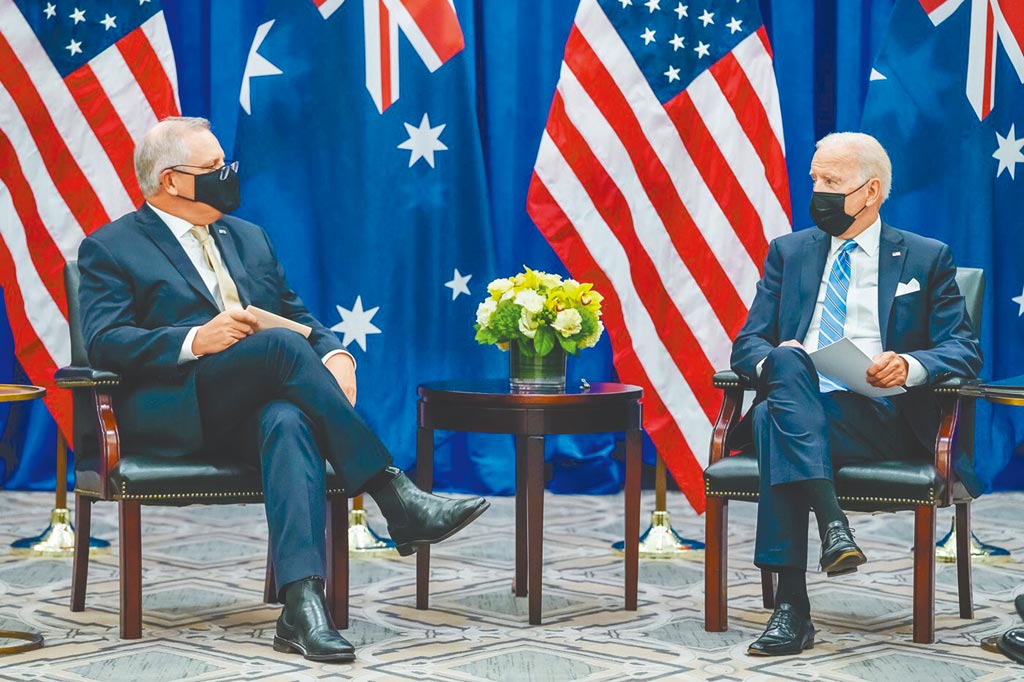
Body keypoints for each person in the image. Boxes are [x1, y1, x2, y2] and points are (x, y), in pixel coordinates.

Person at [77, 116, 490, 662]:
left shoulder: (249, 238)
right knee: (278, 349)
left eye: (226, 163)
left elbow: (296, 317)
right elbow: (105, 342)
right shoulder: (111, 247)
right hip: (173, 408)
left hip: (250, 409)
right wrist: (195, 339)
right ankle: (393, 494)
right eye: (213, 167)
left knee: (289, 420)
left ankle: (301, 607)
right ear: (171, 180)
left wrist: (336, 354)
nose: (227, 175)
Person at [729, 132, 982, 656]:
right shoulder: (789, 252)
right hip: (800, 401)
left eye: (832, 181)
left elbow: (963, 348)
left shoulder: (925, 257)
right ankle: (832, 532)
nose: (818, 191)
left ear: (870, 191)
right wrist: (780, 362)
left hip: (879, 415)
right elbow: (748, 343)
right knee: (785, 369)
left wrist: (910, 365)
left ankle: (793, 608)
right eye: (815, 180)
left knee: (776, 420)